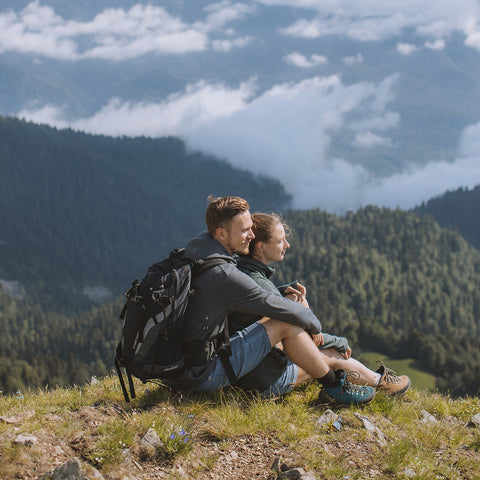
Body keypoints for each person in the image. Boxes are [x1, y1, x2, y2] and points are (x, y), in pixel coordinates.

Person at [164, 195, 376, 405]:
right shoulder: (225, 275)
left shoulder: (198, 249)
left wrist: (282, 293)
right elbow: (285, 311)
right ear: (221, 233)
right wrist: (315, 327)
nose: (252, 235)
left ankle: (366, 382)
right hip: (203, 374)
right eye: (246, 230)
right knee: (285, 322)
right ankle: (333, 387)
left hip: (182, 367)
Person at [228, 212, 411, 399]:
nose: (287, 245)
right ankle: (382, 384)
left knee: (318, 340)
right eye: (280, 241)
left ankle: (378, 381)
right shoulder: (262, 287)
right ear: (261, 247)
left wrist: (283, 293)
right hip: (261, 381)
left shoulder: (240, 271)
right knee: (331, 355)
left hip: (242, 370)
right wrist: (339, 342)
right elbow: (299, 338)